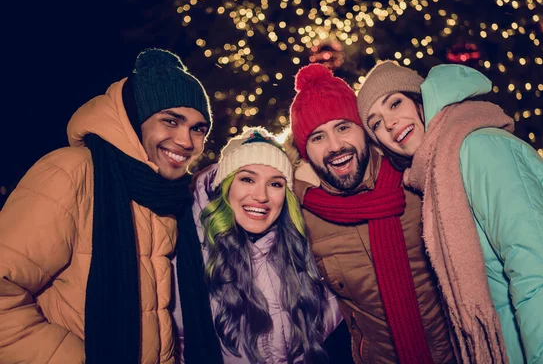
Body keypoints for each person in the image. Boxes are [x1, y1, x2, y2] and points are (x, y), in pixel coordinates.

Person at [358, 61, 543, 363]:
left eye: (394, 103)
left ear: (420, 100)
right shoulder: (437, 172)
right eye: (376, 123)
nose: (390, 124)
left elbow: (536, 273)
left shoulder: (477, 147)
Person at [0, 48, 221, 364]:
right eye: (170, 121)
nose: (186, 141)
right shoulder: (73, 171)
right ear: (135, 119)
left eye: (198, 128)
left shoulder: (168, 195)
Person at [286, 63, 456, 363]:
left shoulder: (414, 177)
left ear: (363, 130)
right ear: (304, 151)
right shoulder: (301, 215)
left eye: (342, 127)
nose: (335, 146)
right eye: (317, 137)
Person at [172, 126, 343, 363]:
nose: (261, 196)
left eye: (275, 184)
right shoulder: (189, 252)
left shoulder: (299, 250)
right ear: (226, 185)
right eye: (247, 179)